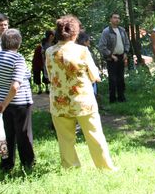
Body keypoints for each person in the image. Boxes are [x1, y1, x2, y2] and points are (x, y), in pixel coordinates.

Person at [45, 15, 116, 169]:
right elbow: (95, 76)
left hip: (59, 101)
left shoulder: (49, 52)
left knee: (65, 139)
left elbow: (51, 76)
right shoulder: (82, 50)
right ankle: (105, 168)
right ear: (75, 33)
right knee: (94, 135)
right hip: (83, 101)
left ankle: (71, 168)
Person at [0, 29, 35, 171]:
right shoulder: (18, 58)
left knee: (5, 135)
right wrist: (5, 103)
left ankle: (6, 164)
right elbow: (15, 86)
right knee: (23, 135)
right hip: (20, 103)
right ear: (18, 43)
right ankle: (28, 164)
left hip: (2, 103)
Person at [98, 13, 130, 103]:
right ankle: (112, 99)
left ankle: (121, 97)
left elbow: (127, 43)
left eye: (118, 18)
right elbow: (101, 46)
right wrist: (110, 55)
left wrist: (126, 53)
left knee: (121, 78)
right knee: (112, 79)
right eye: (115, 18)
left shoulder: (122, 30)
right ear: (110, 19)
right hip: (111, 58)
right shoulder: (106, 31)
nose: (117, 19)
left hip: (121, 57)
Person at [32, 30, 54, 94]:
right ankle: (39, 89)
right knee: (37, 75)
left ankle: (47, 88)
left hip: (46, 62)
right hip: (39, 62)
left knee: (46, 75)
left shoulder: (52, 43)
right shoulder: (42, 45)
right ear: (50, 36)